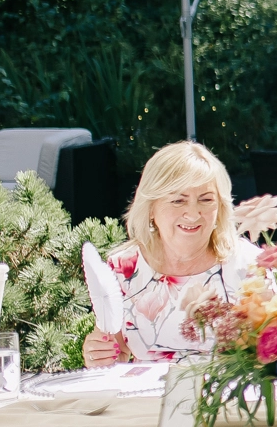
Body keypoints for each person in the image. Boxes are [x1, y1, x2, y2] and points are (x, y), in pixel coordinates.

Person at [83, 141, 265, 365]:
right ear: (151, 208)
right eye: (178, 200)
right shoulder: (124, 268)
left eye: (206, 199)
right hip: (146, 389)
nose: (193, 214)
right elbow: (115, 351)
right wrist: (100, 355)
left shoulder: (249, 266)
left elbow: (274, 353)